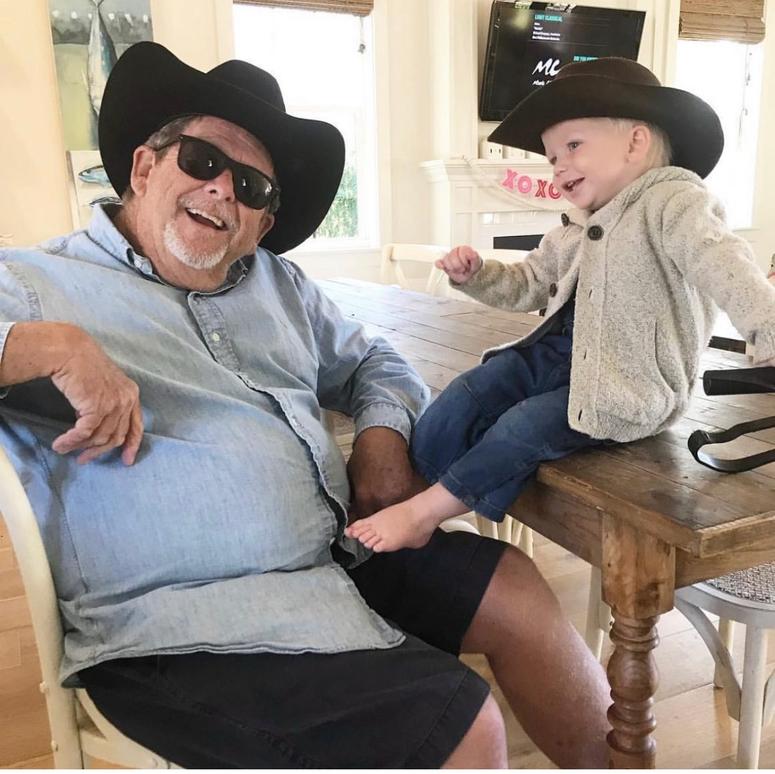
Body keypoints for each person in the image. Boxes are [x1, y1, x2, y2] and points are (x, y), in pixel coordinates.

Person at [0, 42, 612, 768]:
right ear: (143, 167)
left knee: (513, 585)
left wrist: (382, 436)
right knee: (460, 722)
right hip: (183, 621)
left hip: (331, 553)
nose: (225, 190)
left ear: (262, 221)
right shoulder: (37, 280)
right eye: (201, 161)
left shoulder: (275, 283)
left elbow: (374, 361)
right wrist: (54, 346)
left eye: (254, 189)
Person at [346, 56, 775, 554]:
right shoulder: (577, 225)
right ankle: (415, 489)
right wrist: (478, 274)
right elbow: (529, 283)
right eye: (552, 157)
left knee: (523, 426)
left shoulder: (675, 203)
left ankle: (426, 513)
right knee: (469, 391)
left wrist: (767, 330)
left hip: (627, 382)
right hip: (554, 359)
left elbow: (723, 263)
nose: (559, 166)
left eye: (573, 146)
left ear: (635, 143)